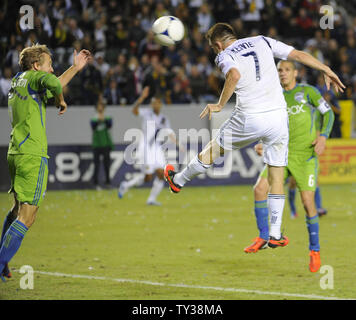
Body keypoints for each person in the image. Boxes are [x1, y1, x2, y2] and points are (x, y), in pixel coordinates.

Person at [163, 23, 344, 266]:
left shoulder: (225, 55)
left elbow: (234, 75)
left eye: (214, 49)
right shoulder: (263, 40)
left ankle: (179, 181)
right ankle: (276, 233)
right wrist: (325, 68)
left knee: (215, 149)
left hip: (250, 116)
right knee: (276, 173)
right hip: (278, 118)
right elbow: (299, 55)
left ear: (217, 44)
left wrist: (219, 104)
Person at [0, 44, 91, 280]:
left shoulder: (20, 80)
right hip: (32, 153)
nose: (51, 70)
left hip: (16, 151)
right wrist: (62, 101)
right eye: (49, 65)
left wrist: (75, 68)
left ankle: (3, 261)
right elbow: (53, 85)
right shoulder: (36, 78)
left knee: (17, 208)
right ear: (36, 65)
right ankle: (0, 262)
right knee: (28, 216)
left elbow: (50, 85)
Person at [244, 60, 335, 273]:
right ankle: (264, 236)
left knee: (307, 202)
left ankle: (314, 250)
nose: (282, 73)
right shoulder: (274, 96)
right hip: (279, 154)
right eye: (279, 70)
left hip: (305, 156)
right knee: (259, 189)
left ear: (296, 72)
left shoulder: (308, 92)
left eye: (286, 70)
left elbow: (328, 113)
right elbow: (268, 125)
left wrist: (322, 137)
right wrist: (262, 143)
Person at [118, 86, 178, 206]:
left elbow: (169, 131)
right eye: (153, 103)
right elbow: (134, 111)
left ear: (160, 104)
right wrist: (141, 98)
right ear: (151, 104)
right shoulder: (146, 113)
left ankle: (151, 199)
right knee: (148, 177)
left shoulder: (163, 119)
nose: (155, 105)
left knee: (162, 174)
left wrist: (177, 143)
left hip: (156, 147)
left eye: (158, 103)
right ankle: (126, 185)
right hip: (145, 146)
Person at [90, 99, 114, 190]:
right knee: (96, 165)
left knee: (107, 165)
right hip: (96, 144)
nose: (100, 108)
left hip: (106, 144)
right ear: (97, 108)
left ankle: (108, 182)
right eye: (99, 106)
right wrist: (99, 120)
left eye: (102, 106)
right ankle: (95, 183)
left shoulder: (107, 117)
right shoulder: (94, 118)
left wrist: (103, 119)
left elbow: (110, 125)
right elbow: (93, 126)